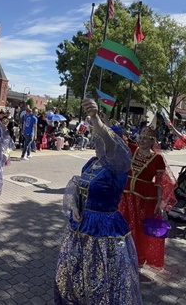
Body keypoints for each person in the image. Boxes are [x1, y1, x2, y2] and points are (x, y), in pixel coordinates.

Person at [55, 99, 144, 304]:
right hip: (83, 225)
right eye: (97, 140)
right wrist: (75, 205)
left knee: (103, 278)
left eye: (101, 140)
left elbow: (111, 142)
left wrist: (96, 120)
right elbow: (78, 184)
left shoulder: (118, 164)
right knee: (78, 273)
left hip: (105, 230)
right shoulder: (93, 163)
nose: (99, 144)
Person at [118, 126, 177, 272]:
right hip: (125, 195)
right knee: (123, 224)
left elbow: (159, 183)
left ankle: (136, 258)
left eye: (145, 138)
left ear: (152, 142)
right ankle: (120, 255)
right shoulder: (131, 149)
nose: (141, 140)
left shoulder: (157, 159)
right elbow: (115, 138)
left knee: (138, 228)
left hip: (143, 199)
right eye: (140, 137)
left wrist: (159, 201)